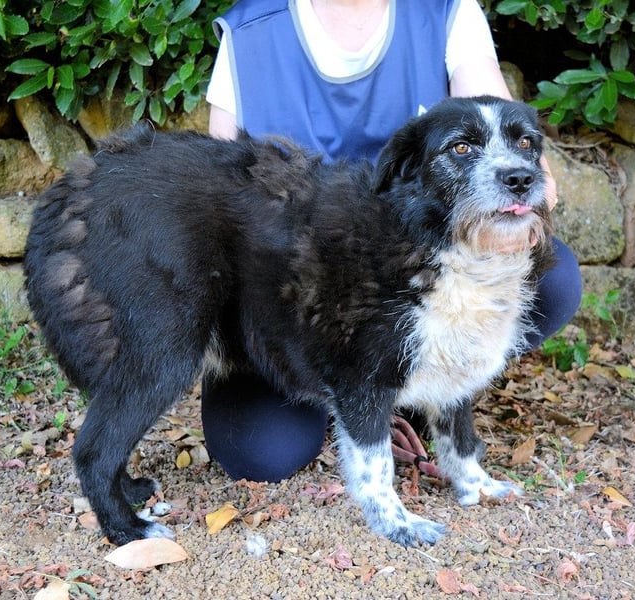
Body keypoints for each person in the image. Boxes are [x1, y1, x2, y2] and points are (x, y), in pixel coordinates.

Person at [201, 0, 583, 483]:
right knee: (261, 455)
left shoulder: (445, 10)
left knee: (553, 280)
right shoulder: (250, 29)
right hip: (291, 300)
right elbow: (223, 199)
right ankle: (361, 393)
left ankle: (408, 387)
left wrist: (515, 200)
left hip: (410, 265)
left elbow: (506, 136)